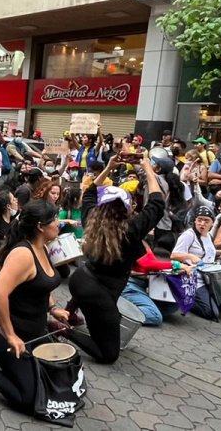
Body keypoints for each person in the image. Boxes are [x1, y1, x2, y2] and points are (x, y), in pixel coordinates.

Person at [0, 199, 65, 418]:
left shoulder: (43, 247)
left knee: (61, 382)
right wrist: (11, 336)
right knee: (28, 400)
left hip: (35, 333)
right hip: (8, 338)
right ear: (40, 227)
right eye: (54, 219)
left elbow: (45, 283)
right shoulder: (23, 254)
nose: (58, 223)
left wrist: (53, 309)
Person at [62, 153, 166, 361]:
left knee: (100, 310)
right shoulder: (131, 230)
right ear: (127, 209)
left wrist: (109, 167)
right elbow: (157, 203)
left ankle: (69, 312)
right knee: (108, 354)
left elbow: (90, 192)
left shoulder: (91, 217)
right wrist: (147, 168)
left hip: (80, 280)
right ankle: (63, 330)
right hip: (100, 293)